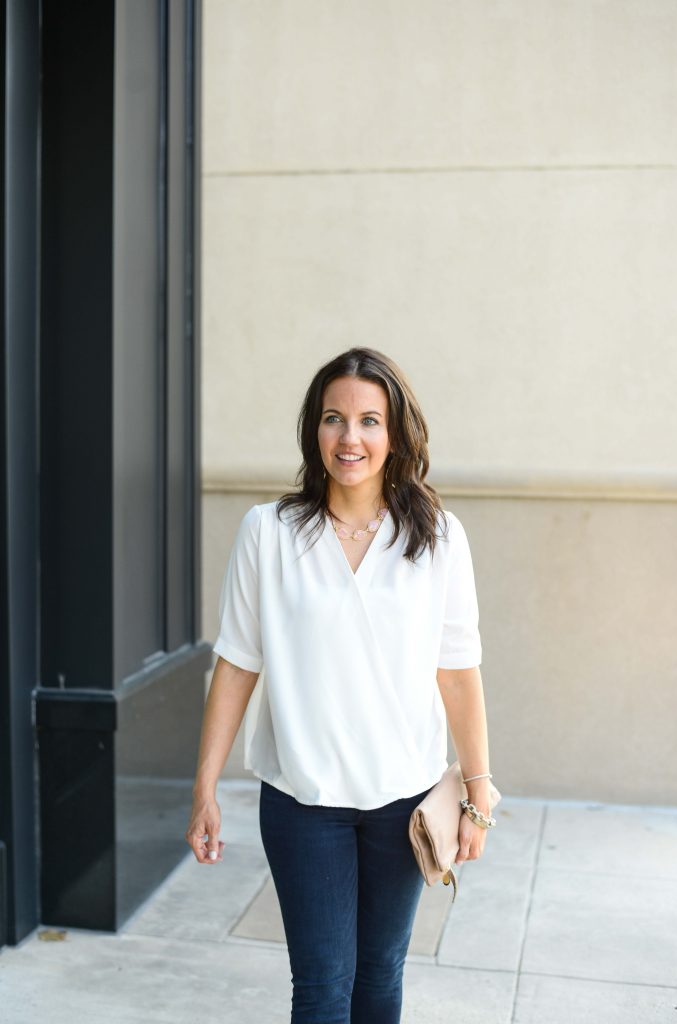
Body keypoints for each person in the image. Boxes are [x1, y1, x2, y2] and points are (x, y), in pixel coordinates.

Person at [185, 347, 494, 1024]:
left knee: (379, 976)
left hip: (403, 796)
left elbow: (457, 669)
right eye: (332, 419)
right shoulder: (267, 533)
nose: (349, 438)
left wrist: (477, 785)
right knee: (322, 985)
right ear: (312, 430)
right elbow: (237, 663)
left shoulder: (438, 538)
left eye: (367, 421)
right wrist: (204, 786)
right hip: (302, 801)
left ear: (395, 434)